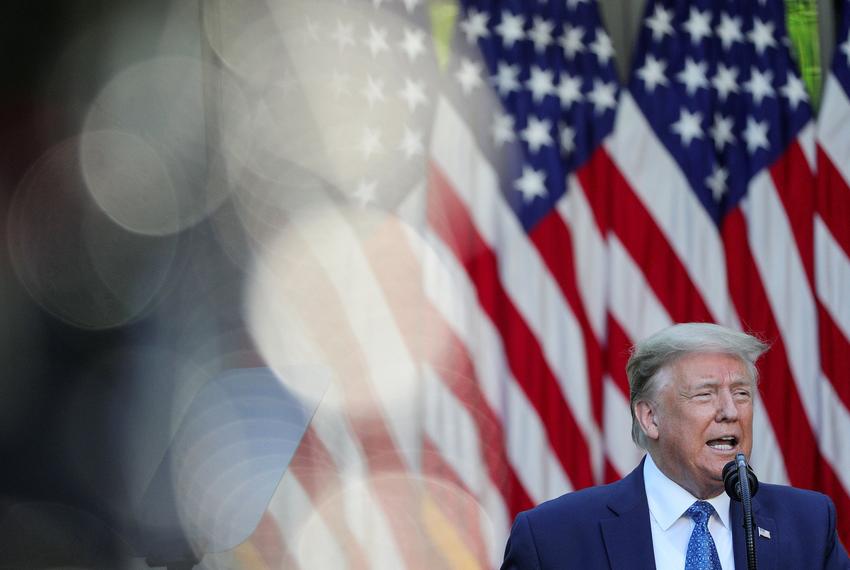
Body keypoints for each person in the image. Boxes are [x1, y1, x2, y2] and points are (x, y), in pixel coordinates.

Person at [501, 322, 850, 569]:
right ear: (650, 418)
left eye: (741, 393)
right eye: (705, 394)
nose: (730, 411)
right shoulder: (553, 538)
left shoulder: (807, 524)